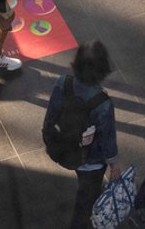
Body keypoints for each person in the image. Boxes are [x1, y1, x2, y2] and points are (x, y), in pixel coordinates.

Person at [44, 40, 120, 229]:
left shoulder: (63, 82)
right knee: (87, 199)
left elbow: (52, 114)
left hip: (62, 146)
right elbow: (107, 138)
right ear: (102, 71)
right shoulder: (102, 103)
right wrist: (114, 163)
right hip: (90, 161)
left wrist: (49, 136)